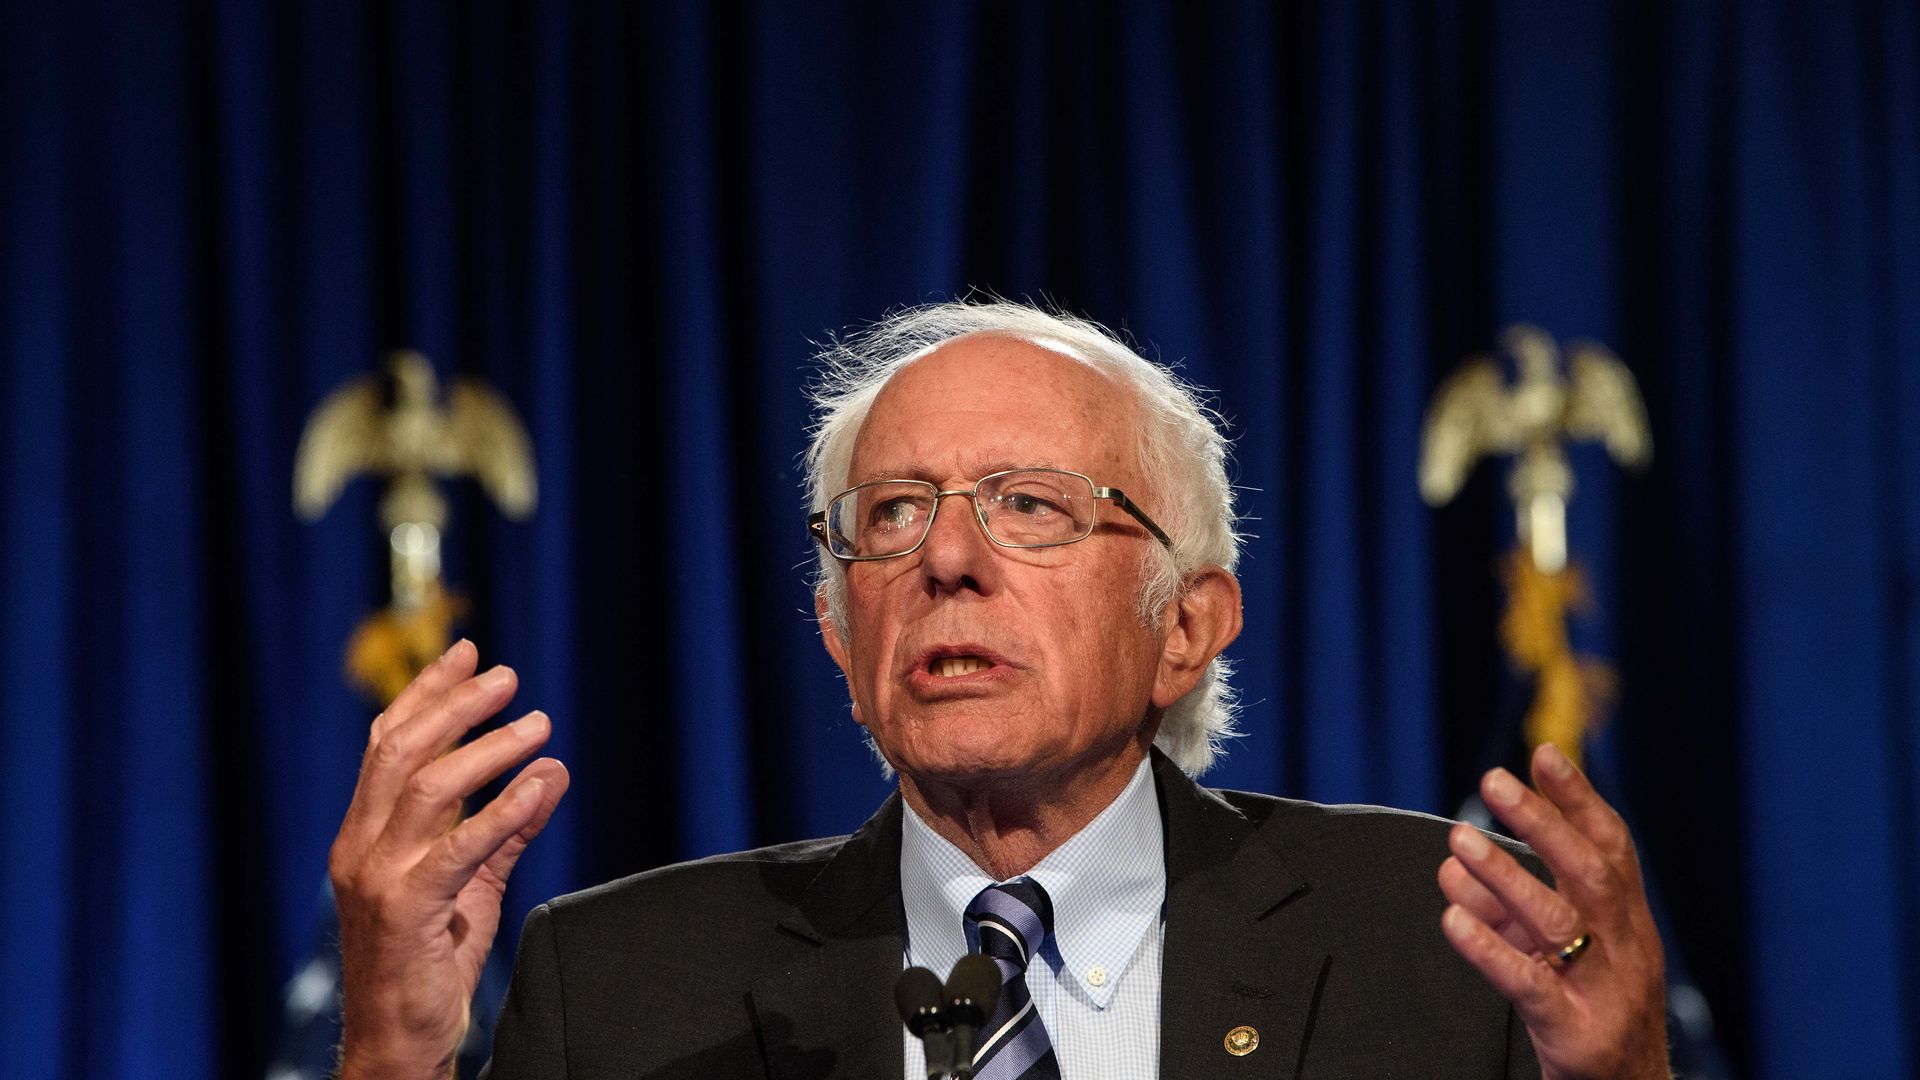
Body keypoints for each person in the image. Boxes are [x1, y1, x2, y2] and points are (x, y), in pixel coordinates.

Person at [328, 301, 1671, 1079]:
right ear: (837, 634)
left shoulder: (1443, 945)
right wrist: (393, 1051)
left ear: (1188, 625)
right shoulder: (619, 993)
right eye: (893, 514)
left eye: (1030, 507)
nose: (948, 559)